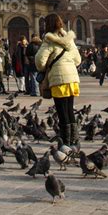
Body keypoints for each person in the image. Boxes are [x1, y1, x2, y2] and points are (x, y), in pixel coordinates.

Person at [36, 13, 81, 145]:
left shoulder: (49, 40)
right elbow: (78, 60)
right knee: (69, 110)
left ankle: (66, 143)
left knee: (62, 113)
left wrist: (47, 66)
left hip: (58, 79)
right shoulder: (69, 39)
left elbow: (40, 62)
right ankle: (74, 140)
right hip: (72, 79)